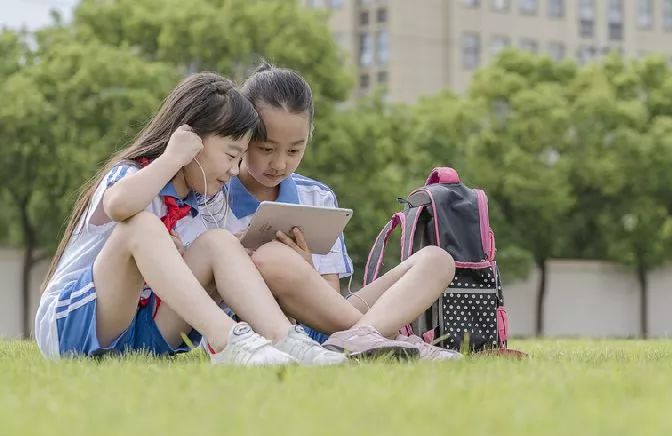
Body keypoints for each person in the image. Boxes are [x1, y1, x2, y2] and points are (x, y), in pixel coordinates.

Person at [35, 72, 347, 366]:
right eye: (230, 156)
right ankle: (227, 341)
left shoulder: (207, 205)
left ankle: (284, 339)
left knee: (220, 243)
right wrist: (172, 158)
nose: (235, 170)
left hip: (147, 334)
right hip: (75, 325)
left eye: (240, 159)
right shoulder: (133, 174)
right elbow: (118, 205)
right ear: (192, 142)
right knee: (141, 226)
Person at [228, 63, 461, 360]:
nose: (280, 164)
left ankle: (362, 338)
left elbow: (331, 297)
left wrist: (306, 268)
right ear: (243, 135)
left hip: (324, 323)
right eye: (266, 149)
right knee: (272, 259)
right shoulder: (216, 194)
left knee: (437, 260)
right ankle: (384, 340)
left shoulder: (316, 196)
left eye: (293, 151)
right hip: (262, 325)